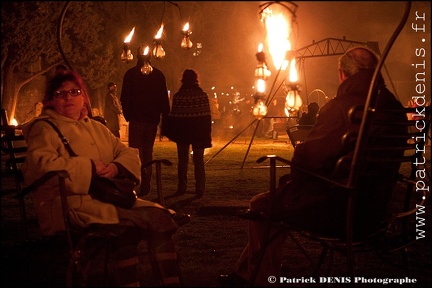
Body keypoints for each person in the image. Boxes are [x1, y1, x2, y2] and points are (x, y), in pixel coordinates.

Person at [218, 47, 406, 286]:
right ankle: (245, 274)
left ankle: (260, 279)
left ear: (342, 75)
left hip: (339, 210)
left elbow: (308, 161)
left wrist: (297, 169)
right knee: (274, 202)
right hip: (379, 208)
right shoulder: (396, 108)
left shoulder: (342, 107)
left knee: (262, 205)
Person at [21, 70, 183, 287]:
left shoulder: (96, 127)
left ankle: (171, 283)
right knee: (126, 229)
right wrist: (89, 168)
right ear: (51, 100)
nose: (68, 97)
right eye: (60, 93)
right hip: (69, 205)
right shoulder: (44, 128)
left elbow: (127, 152)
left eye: (74, 91)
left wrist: (116, 167)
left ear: (82, 97)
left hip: (108, 199)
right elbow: (42, 166)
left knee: (159, 219)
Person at [120, 52, 170, 197]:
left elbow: (125, 97)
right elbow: (163, 99)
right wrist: (163, 116)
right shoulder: (158, 75)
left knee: (135, 153)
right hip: (150, 120)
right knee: (147, 153)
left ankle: (138, 182)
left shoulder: (130, 74)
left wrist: (128, 115)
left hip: (137, 119)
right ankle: (145, 184)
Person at [163, 69, 212, 197]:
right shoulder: (202, 96)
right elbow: (207, 117)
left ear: (183, 79)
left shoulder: (178, 97)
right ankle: (200, 188)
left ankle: (182, 187)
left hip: (183, 134)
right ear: (196, 79)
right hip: (199, 134)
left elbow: (174, 118)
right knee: (199, 161)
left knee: (183, 160)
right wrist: (207, 135)